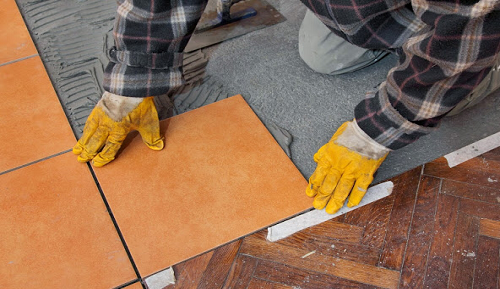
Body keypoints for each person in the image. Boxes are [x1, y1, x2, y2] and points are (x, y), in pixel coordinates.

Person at [73, 0, 500, 214]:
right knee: (325, 56)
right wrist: (132, 80)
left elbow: (463, 33)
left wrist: (376, 133)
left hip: (473, 21)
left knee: (459, 63)